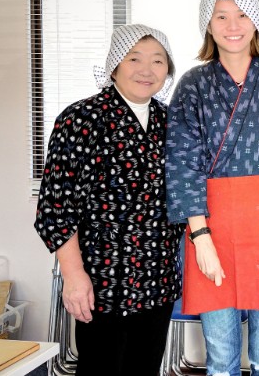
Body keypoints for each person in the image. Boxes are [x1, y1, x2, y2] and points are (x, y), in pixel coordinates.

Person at [165, 0, 259, 376]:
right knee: (222, 358)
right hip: (212, 228)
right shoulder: (193, 85)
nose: (233, 25)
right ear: (207, 25)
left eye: (242, 14)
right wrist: (200, 237)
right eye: (222, 16)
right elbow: (181, 162)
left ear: (256, 21)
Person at [34, 24, 182, 376]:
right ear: (115, 65)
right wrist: (74, 276)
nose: (146, 70)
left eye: (158, 61)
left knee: (144, 369)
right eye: (135, 59)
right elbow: (56, 209)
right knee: (100, 368)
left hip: (157, 279)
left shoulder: (172, 122)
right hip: (100, 279)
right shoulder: (79, 119)